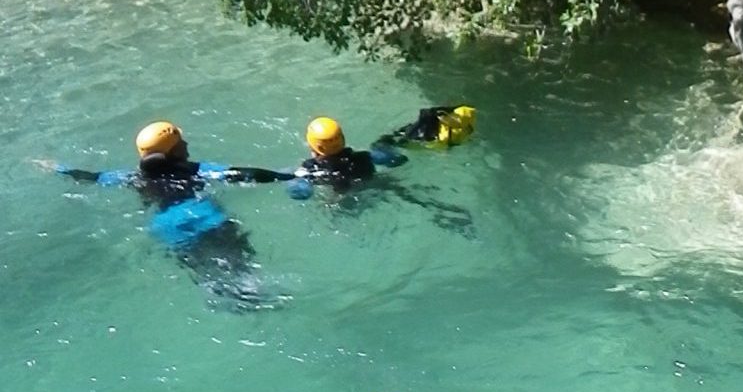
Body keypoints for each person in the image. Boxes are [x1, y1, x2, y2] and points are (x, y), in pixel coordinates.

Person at [53, 121, 289, 307]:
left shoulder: (132, 178)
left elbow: (92, 177)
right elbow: (242, 174)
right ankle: (262, 296)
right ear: (174, 152)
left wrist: (56, 168)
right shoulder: (196, 170)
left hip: (170, 229)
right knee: (242, 270)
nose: (185, 144)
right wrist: (286, 176)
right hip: (206, 218)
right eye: (180, 142)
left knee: (208, 276)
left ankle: (230, 300)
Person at [286, 111, 476, 233]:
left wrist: (295, 179)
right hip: (381, 186)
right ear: (342, 138)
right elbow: (398, 161)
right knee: (411, 195)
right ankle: (448, 214)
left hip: (346, 200)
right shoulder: (364, 156)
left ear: (312, 145)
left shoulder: (311, 169)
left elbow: (300, 194)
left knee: (329, 209)